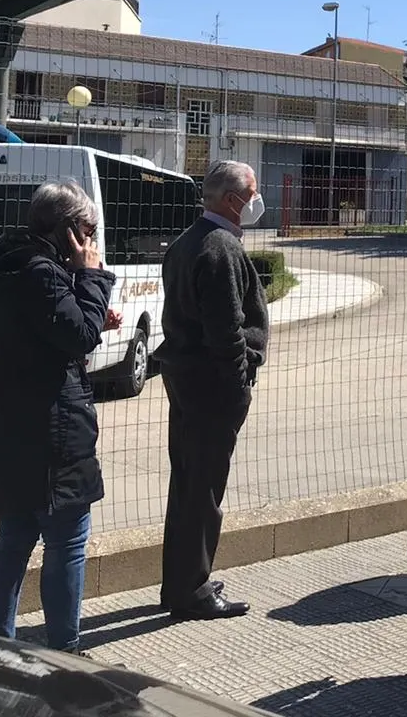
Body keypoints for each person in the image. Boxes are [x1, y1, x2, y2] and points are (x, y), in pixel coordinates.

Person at [0, 181, 120, 653]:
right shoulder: (43, 273)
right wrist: (92, 278)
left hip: (6, 427)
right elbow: (76, 336)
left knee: (13, 538)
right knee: (67, 541)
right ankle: (65, 651)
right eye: (89, 230)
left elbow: (52, 326)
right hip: (50, 432)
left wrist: (85, 303)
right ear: (71, 230)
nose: (93, 241)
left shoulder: (10, 263)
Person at [157, 160, 269, 620]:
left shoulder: (189, 241)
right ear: (233, 201)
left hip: (186, 379)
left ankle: (183, 581)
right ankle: (192, 592)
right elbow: (227, 330)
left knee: (188, 485)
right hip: (211, 385)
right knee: (203, 489)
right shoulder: (220, 247)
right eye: (253, 192)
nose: (258, 201)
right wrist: (240, 382)